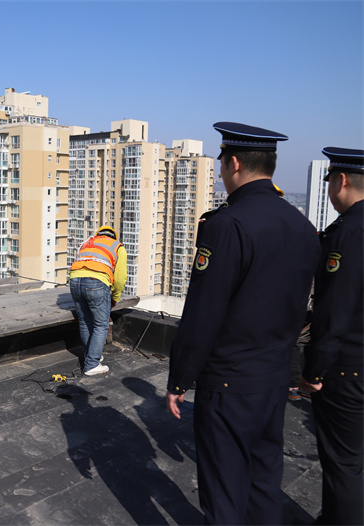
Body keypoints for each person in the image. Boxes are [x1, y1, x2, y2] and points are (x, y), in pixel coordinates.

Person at [165, 122, 320, 524]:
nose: (220, 172)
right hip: (274, 379)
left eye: (221, 163)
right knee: (264, 484)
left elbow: (203, 313)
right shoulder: (303, 227)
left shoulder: (227, 225)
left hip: (229, 382)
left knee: (224, 489)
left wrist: (179, 380)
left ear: (233, 163)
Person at [301, 147, 363, 526]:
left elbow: (333, 314)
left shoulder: (347, 234)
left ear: (341, 181)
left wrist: (314, 371)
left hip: (348, 369)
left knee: (343, 465)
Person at [68, 225, 127, 376]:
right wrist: (115, 297)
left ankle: (91, 355)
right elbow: (120, 278)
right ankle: (92, 364)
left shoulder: (88, 243)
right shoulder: (117, 246)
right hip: (96, 282)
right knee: (101, 324)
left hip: (75, 281)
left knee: (85, 321)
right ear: (113, 236)